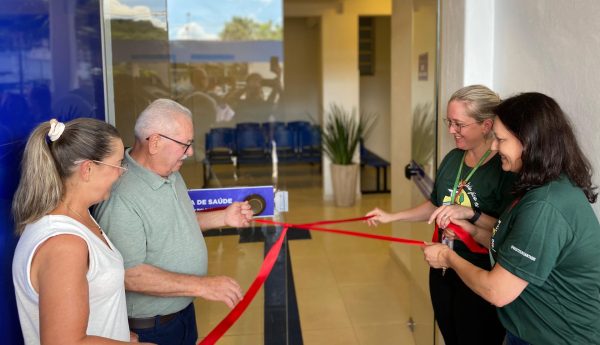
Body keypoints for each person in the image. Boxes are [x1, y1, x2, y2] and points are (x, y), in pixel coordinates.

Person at [423, 92, 600, 345]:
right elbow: (514, 249)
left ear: (528, 143)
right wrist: (471, 230)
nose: (494, 146)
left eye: (501, 139)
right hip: (526, 331)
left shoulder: (545, 206)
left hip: (555, 338)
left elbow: (496, 291)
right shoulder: (539, 187)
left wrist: (447, 257)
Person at [93, 99, 253, 345]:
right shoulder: (121, 197)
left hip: (181, 314)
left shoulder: (170, 172)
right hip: (151, 329)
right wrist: (201, 286)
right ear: (155, 142)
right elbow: (130, 274)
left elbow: (175, 224)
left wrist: (223, 217)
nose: (190, 152)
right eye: (185, 144)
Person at [366, 85, 514, 345]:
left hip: (479, 273)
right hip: (443, 269)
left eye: (458, 124)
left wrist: (471, 214)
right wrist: (392, 216)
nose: (451, 131)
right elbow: (436, 205)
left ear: (486, 125)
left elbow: (508, 231)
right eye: (449, 122)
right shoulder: (453, 159)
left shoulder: (503, 169)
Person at [11, 118, 150, 344]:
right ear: (87, 169)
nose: (121, 173)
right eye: (118, 165)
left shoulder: (80, 218)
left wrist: (119, 335)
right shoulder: (64, 245)